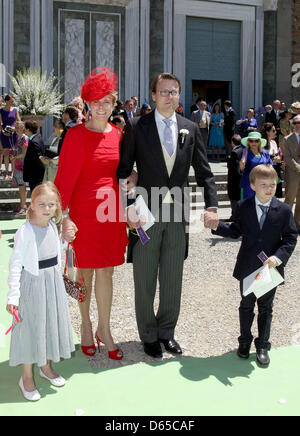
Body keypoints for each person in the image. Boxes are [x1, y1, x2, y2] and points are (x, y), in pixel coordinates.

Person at [117, 72, 219, 358]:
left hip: (178, 213)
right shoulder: (137, 126)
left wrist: (212, 206)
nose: (169, 96)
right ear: (153, 95)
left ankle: (167, 333)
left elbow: (204, 171)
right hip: (146, 212)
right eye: (164, 92)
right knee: (145, 277)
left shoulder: (190, 127)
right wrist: (127, 206)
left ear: (179, 95)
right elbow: (124, 169)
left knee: (173, 278)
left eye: (174, 92)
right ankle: (148, 335)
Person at [55, 67, 132, 360]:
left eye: (108, 101)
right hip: (84, 216)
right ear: (86, 103)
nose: (102, 106)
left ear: (114, 105)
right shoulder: (75, 136)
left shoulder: (120, 135)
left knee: (107, 274)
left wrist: (133, 179)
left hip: (111, 214)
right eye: (96, 101)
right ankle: (85, 326)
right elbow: (64, 180)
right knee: (84, 274)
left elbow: (123, 173)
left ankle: (105, 329)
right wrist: (65, 217)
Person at [212, 165, 298, 366]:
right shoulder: (243, 206)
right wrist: (216, 225)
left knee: (266, 308)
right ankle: (244, 342)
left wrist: (277, 258)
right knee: (246, 305)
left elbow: (290, 238)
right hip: (248, 266)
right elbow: (235, 230)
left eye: (272, 185)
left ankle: (262, 345)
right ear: (252, 185)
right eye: (263, 185)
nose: (269, 188)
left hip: (269, 268)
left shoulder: (284, 210)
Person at [6, 182, 75, 401]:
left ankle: (45, 366)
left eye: (51, 204)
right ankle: (26, 376)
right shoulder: (25, 231)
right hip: (32, 285)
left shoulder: (52, 227)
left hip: (51, 283)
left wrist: (65, 240)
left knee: (48, 324)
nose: (47, 208)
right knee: (30, 328)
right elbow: (16, 264)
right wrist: (13, 297)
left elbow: (54, 252)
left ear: (57, 207)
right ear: (32, 205)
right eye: (42, 204)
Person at [239, 131, 273, 200]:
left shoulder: (265, 153)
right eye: (251, 141)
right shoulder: (245, 153)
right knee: (249, 207)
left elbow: (271, 166)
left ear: (259, 142)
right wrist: (241, 165)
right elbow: (241, 170)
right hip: (249, 185)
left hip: (264, 184)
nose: (253, 143)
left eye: (256, 141)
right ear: (248, 142)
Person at [282, 114, 300, 233]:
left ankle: (297, 224)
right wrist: (299, 167)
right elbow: (287, 158)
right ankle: (285, 225)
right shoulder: (287, 139)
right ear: (292, 125)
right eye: (295, 123)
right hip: (293, 174)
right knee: (289, 199)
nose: (298, 125)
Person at [0, 95, 21, 179]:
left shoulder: (15, 110)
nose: (13, 102)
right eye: (11, 101)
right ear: (7, 101)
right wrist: (3, 131)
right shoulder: (1, 111)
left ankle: (13, 172)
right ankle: (6, 172)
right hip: (4, 134)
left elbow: (19, 122)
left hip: (14, 134)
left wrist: (15, 128)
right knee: (5, 153)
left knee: (13, 154)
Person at [10, 121, 29, 214]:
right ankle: (22, 205)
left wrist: (15, 157)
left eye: (19, 127)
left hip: (23, 165)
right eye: (16, 128)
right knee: (20, 187)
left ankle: (23, 206)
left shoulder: (25, 138)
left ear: (23, 128)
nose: (17, 129)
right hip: (18, 165)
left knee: (23, 187)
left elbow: (25, 153)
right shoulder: (18, 138)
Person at [261, 122, 283, 198]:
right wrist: (273, 160)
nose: (275, 132)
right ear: (267, 132)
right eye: (273, 131)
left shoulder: (274, 142)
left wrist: (279, 158)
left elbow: (279, 155)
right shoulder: (262, 144)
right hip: (267, 172)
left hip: (276, 171)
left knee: (276, 196)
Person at [23, 121, 45, 193]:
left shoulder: (34, 142)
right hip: (36, 175)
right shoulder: (37, 138)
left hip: (35, 176)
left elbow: (38, 159)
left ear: (28, 129)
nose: (24, 130)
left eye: (25, 128)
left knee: (36, 195)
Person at [227, 134, 243, 221]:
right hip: (241, 179)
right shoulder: (244, 150)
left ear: (232, 142)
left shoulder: (234, 153)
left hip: (234, 180)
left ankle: (235, 216)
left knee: (233, 198)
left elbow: (232, 168)